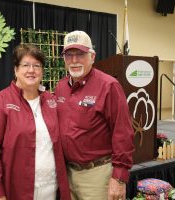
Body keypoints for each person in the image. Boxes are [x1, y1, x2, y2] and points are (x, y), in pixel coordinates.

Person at [0, 44, 71, 200]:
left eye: (37, 65)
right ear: (16, 70)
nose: (31, 70)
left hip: (52, 189)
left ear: (42, 71)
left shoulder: (51, 101)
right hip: (17, 191)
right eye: (25, 65)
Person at [55, 30, 135, 200]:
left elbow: (123, 133)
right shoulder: (60, 87)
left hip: (98, 176)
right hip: (67, 174)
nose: (74, 60)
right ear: (64, 59)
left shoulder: (109, 86)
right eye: (69, 55)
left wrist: (118, 179)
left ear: (92, 56)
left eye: (80, 54)